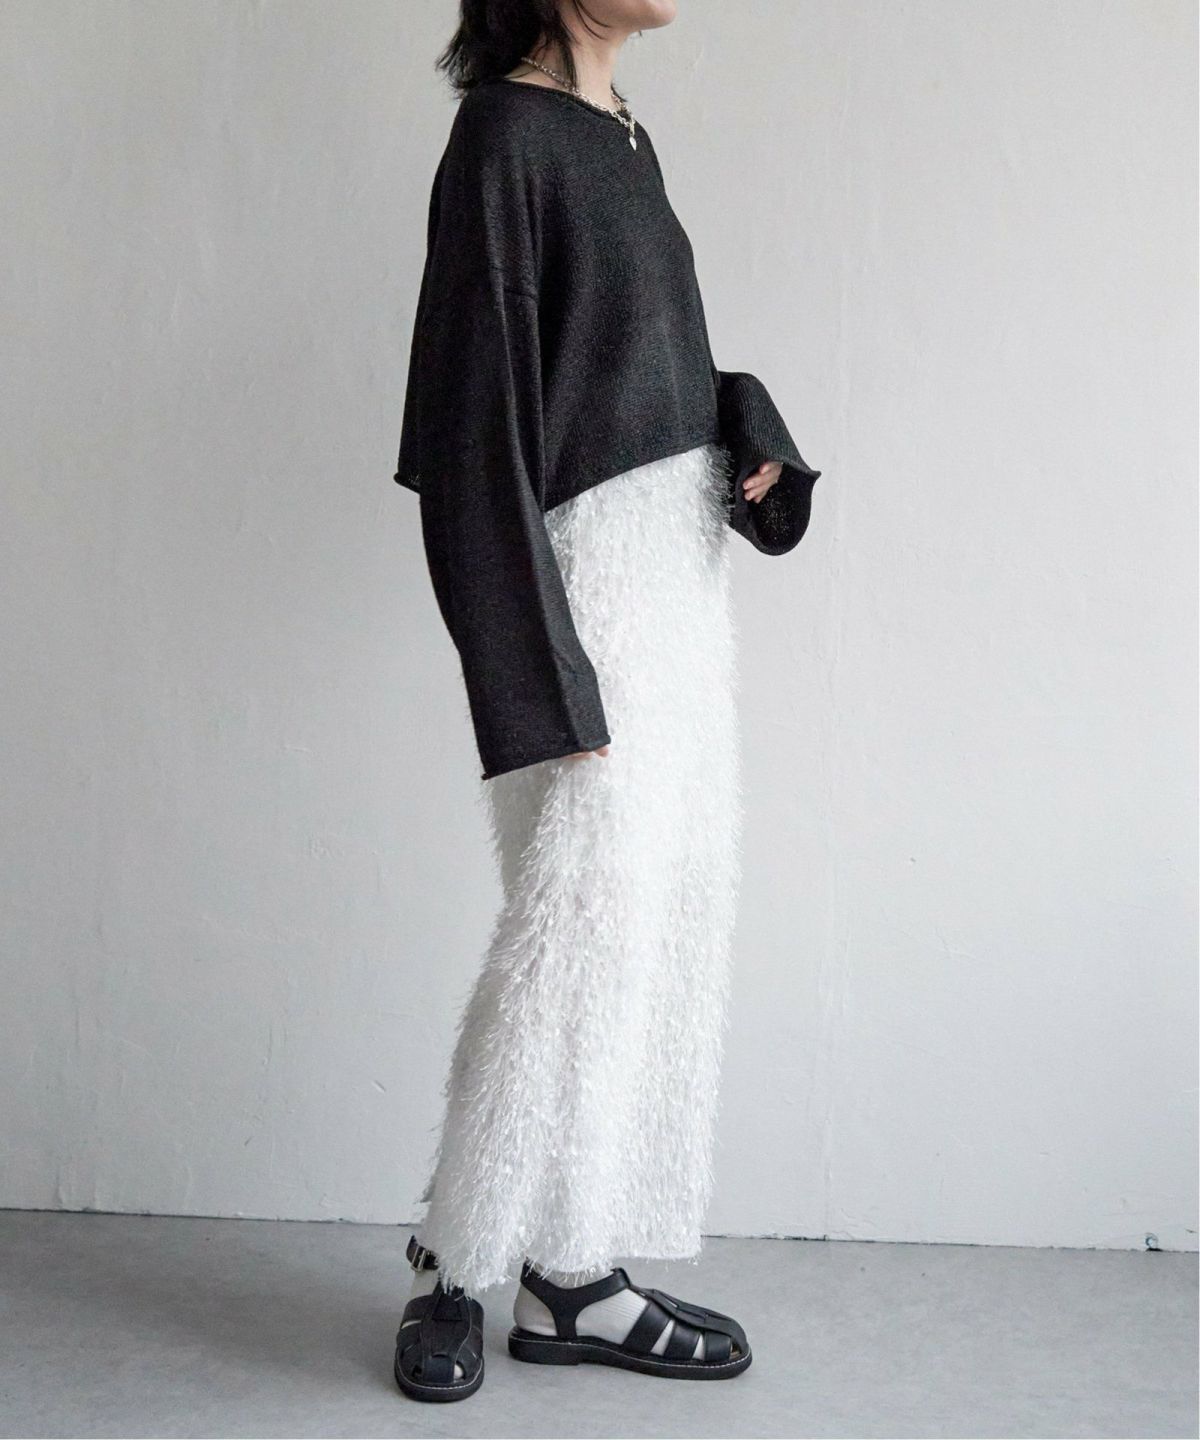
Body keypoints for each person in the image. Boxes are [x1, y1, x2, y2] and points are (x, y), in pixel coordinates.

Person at [390, 0, 822, 1402]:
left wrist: (741, 422)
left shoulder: (620, 133)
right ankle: (462, 1263)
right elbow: (473, 432)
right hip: (588, 593)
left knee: (644, 933)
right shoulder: (506, 139)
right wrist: (542, 671)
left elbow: (626, 363)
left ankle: (572, 1264)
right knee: (572, 936)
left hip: (673, 587)